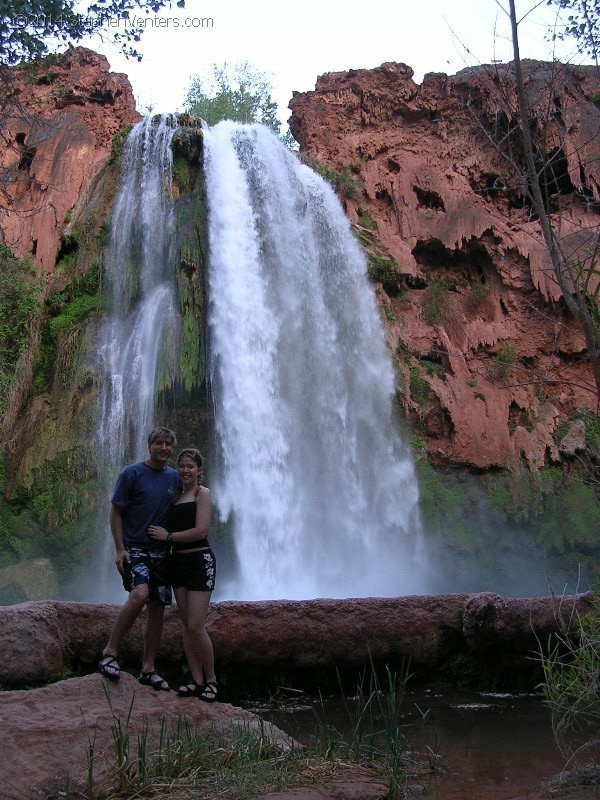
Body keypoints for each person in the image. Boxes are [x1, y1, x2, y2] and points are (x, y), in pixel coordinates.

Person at [98, 427, 180, 691]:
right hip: (136, 548)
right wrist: (120, 549)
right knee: (140, 594)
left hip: (161, 553)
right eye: (159, 443)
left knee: (158, 609)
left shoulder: (175, 479)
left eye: (168, 444)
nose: (164, 448)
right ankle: (110, 651)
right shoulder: (131, 474)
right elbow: (116, 512)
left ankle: (148, 668)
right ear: (149, 445)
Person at [149, 447, 218, 702]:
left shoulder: (203, 494)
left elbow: (201, 531)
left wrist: (168, 537)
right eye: (182, 466)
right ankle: (196, 680)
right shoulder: (176, 495)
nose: (186, 470)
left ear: (199, 470)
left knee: (195, 624)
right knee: (185, 626)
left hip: (199, 560)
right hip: (177, 562)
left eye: (191, 466)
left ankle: (211, 681)